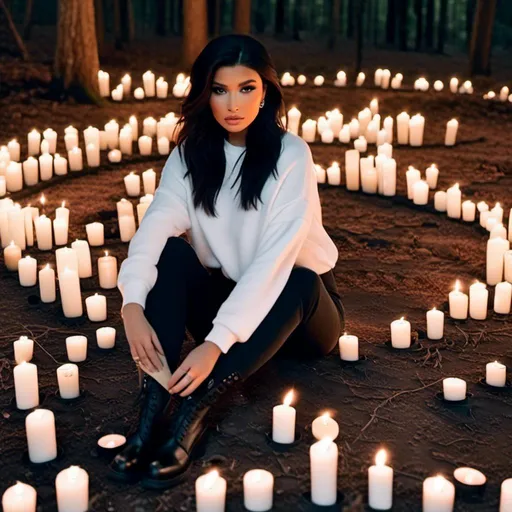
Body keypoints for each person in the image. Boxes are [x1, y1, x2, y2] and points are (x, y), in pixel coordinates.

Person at [110, 34, 345, 489]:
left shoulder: (290, 154)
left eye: (247, 88)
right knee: (172, 253)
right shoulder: (188, 158)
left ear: (266, 92)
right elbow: (156, 226)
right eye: (220, 90)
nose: (233, 104)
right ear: (204, 93)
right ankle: (154, 405)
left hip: (301, 314)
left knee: (299, 278)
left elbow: (275, 262)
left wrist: (215, 343)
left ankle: (196, 409)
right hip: (234, 304)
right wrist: (131, 304)